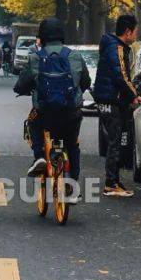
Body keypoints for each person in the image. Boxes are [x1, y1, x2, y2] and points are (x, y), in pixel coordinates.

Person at [14, 16, 91, 182]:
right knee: (72, 145)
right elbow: (86, 81)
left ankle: (40, 156)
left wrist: (22, 90)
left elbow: (21, 84)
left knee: (31, 122)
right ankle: (73, 183)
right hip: (71, 113)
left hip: (45, 113)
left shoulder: (35, 57)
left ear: (42, 36)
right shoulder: (75, 56)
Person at [93, 12, 141, 197]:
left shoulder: (111, 45)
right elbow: (121, 76)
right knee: (115, 142)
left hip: (108, 99)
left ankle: (114, 181)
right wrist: (134, 95)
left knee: (115, 141)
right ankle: (111, 183)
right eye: (135, 32)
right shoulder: (117, 49)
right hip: (110, 100)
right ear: (128, 32)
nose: (136, 35)